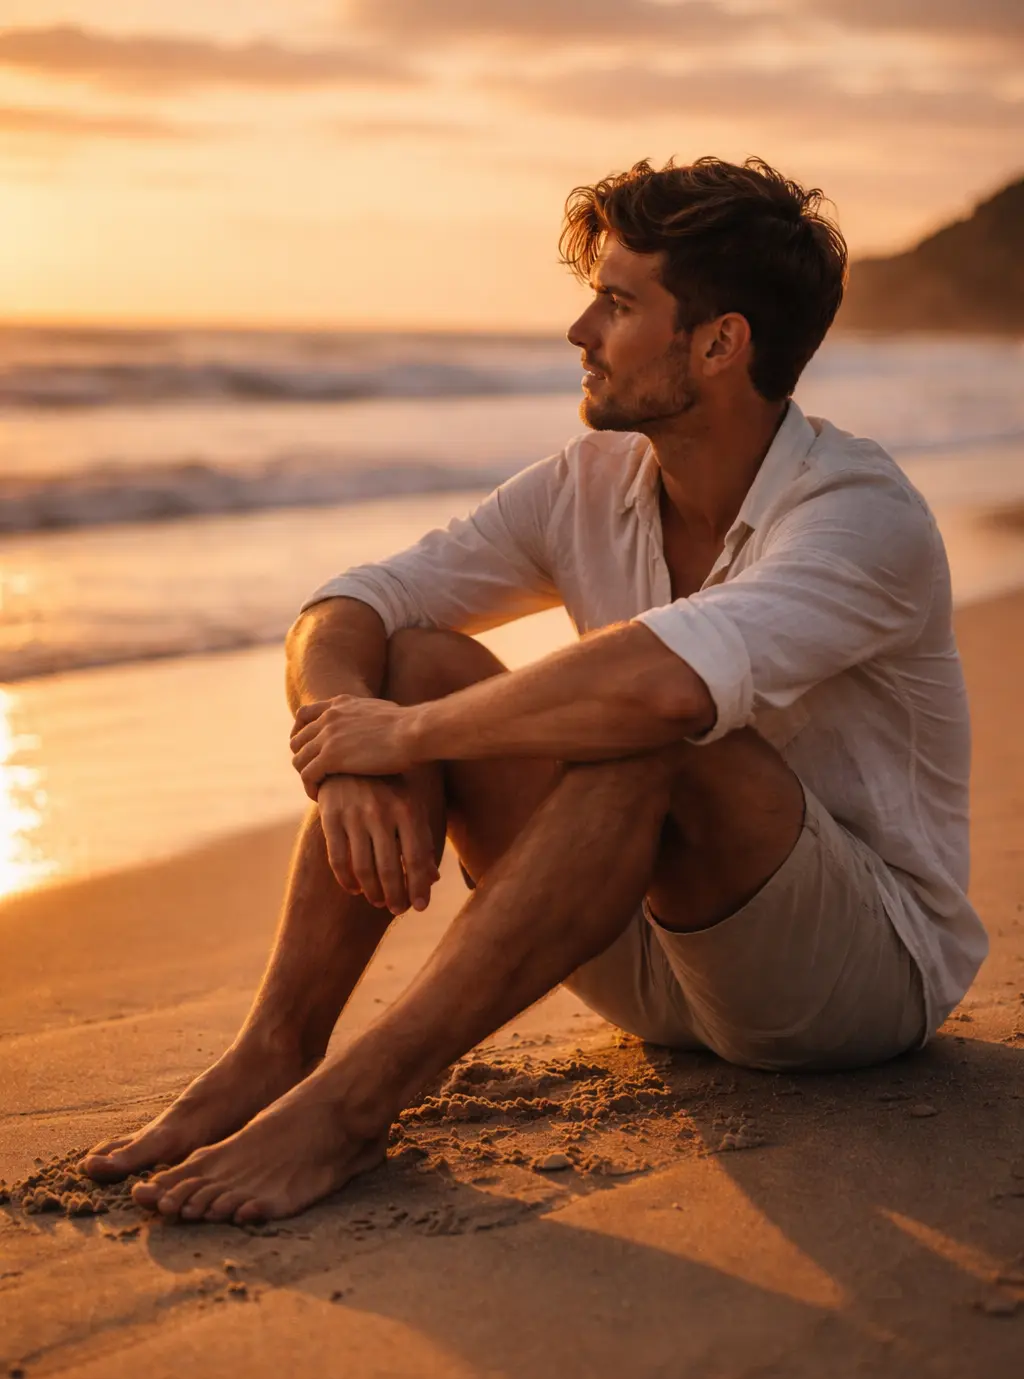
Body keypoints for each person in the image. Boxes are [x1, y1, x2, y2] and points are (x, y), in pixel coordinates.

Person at [82, 156, 987, 1224]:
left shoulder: (856, 513)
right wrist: (349, 754)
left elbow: (661, 690)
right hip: (645, 955)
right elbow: (354, 605)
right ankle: (272, 1053)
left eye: (616, 303)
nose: (580, 332)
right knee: (416, 651)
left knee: (652, 729)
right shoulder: (590, 482)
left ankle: (353, 1110)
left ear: (719, 342)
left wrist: (403, 736)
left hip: (848, 983)